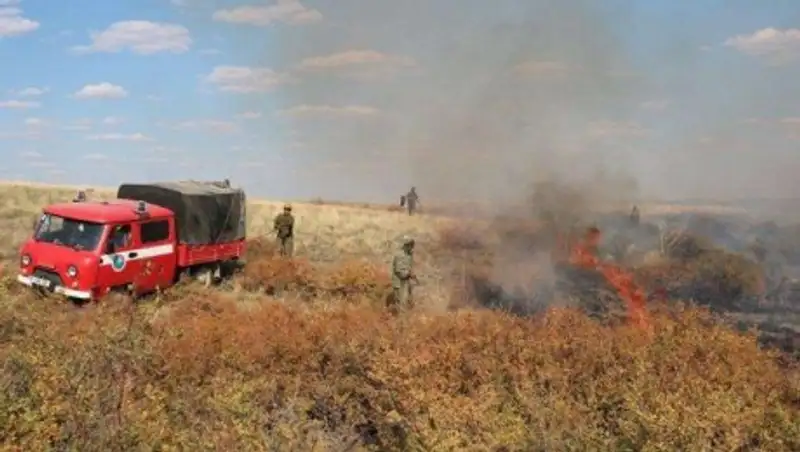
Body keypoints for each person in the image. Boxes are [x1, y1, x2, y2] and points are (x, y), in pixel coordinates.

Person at [390, 236, 417, 311]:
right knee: (400, 302)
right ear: (406, 246)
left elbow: (409, 266)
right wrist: (408, 274)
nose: (412, 248)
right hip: (398, 282)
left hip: (405, 281)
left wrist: (411, 273)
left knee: (407, 301)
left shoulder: (409, 255)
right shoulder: (399, 255)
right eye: (411, 246)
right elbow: (398, 271)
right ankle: (399, 319)